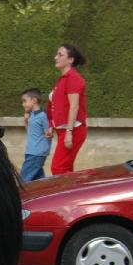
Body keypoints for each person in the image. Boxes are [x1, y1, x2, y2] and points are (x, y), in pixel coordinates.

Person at [47, 43, 88, 175]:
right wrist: (51, 125)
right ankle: (76, 194)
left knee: (58, 168)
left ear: (70, 60)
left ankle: (71, 194)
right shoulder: (63, 79)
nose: (56, 57)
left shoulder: (73, 78)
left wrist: (69, 132)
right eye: (56, 54)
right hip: (65, 130)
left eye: (60, 55)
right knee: (65, 168)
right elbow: (56, 106)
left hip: (73, 129)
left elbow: (74, 106)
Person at [20, 88, 50, 181]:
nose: (23, 104)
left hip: (36, 153)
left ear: (34, 101)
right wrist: (26, 120)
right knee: (38, 181)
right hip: (31, 152)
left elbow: (48, 133)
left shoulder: (43, 116)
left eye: (25, 101)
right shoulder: (32, 115)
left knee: (23, 180)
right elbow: (30, 132)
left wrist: (49, 134)